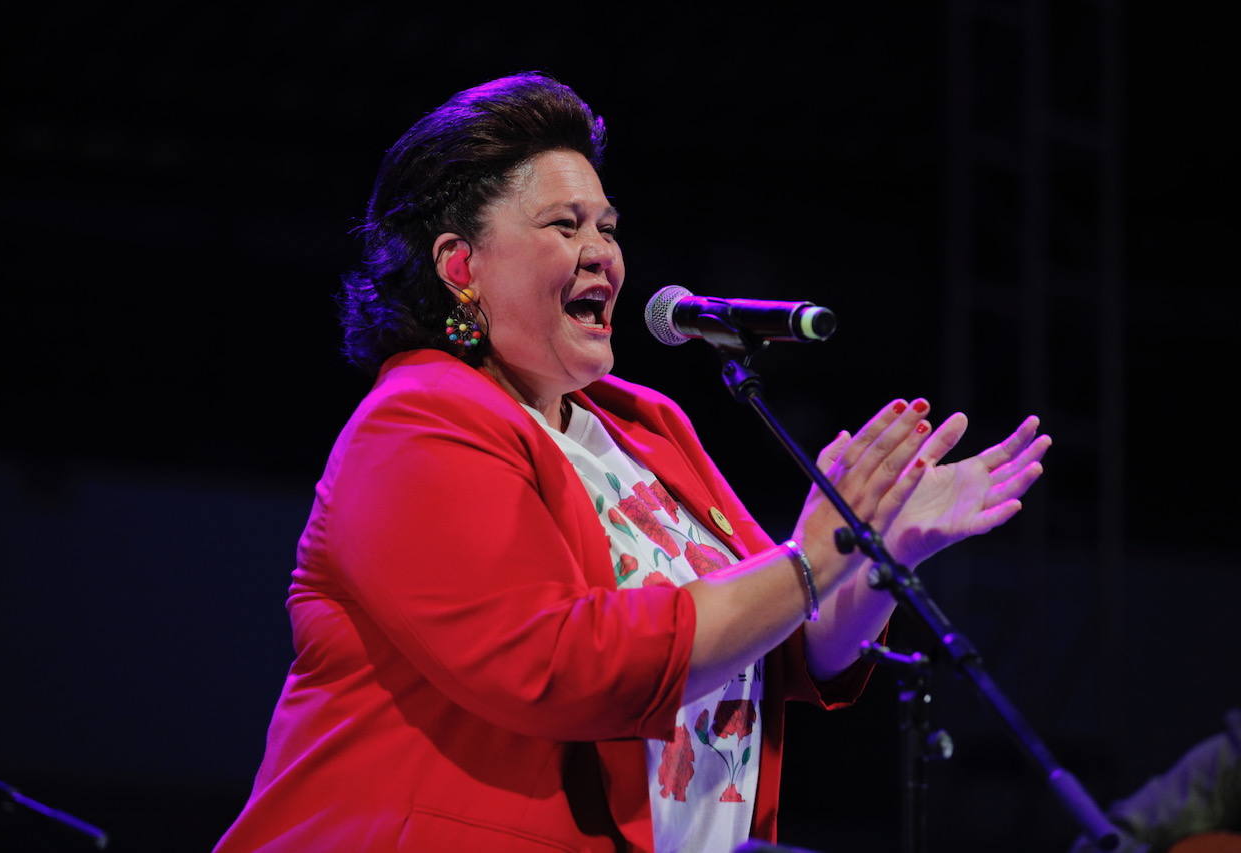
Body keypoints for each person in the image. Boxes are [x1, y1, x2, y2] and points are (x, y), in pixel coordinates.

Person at [214, 73, 1050, 853]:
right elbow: (558, 665)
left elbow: (787, 646)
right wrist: (815, 557)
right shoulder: (418, 423)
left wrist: (881, 553)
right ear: (460, 266)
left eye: (607, 227)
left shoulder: (647, 428)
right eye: (564, 225)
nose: (602, 253)